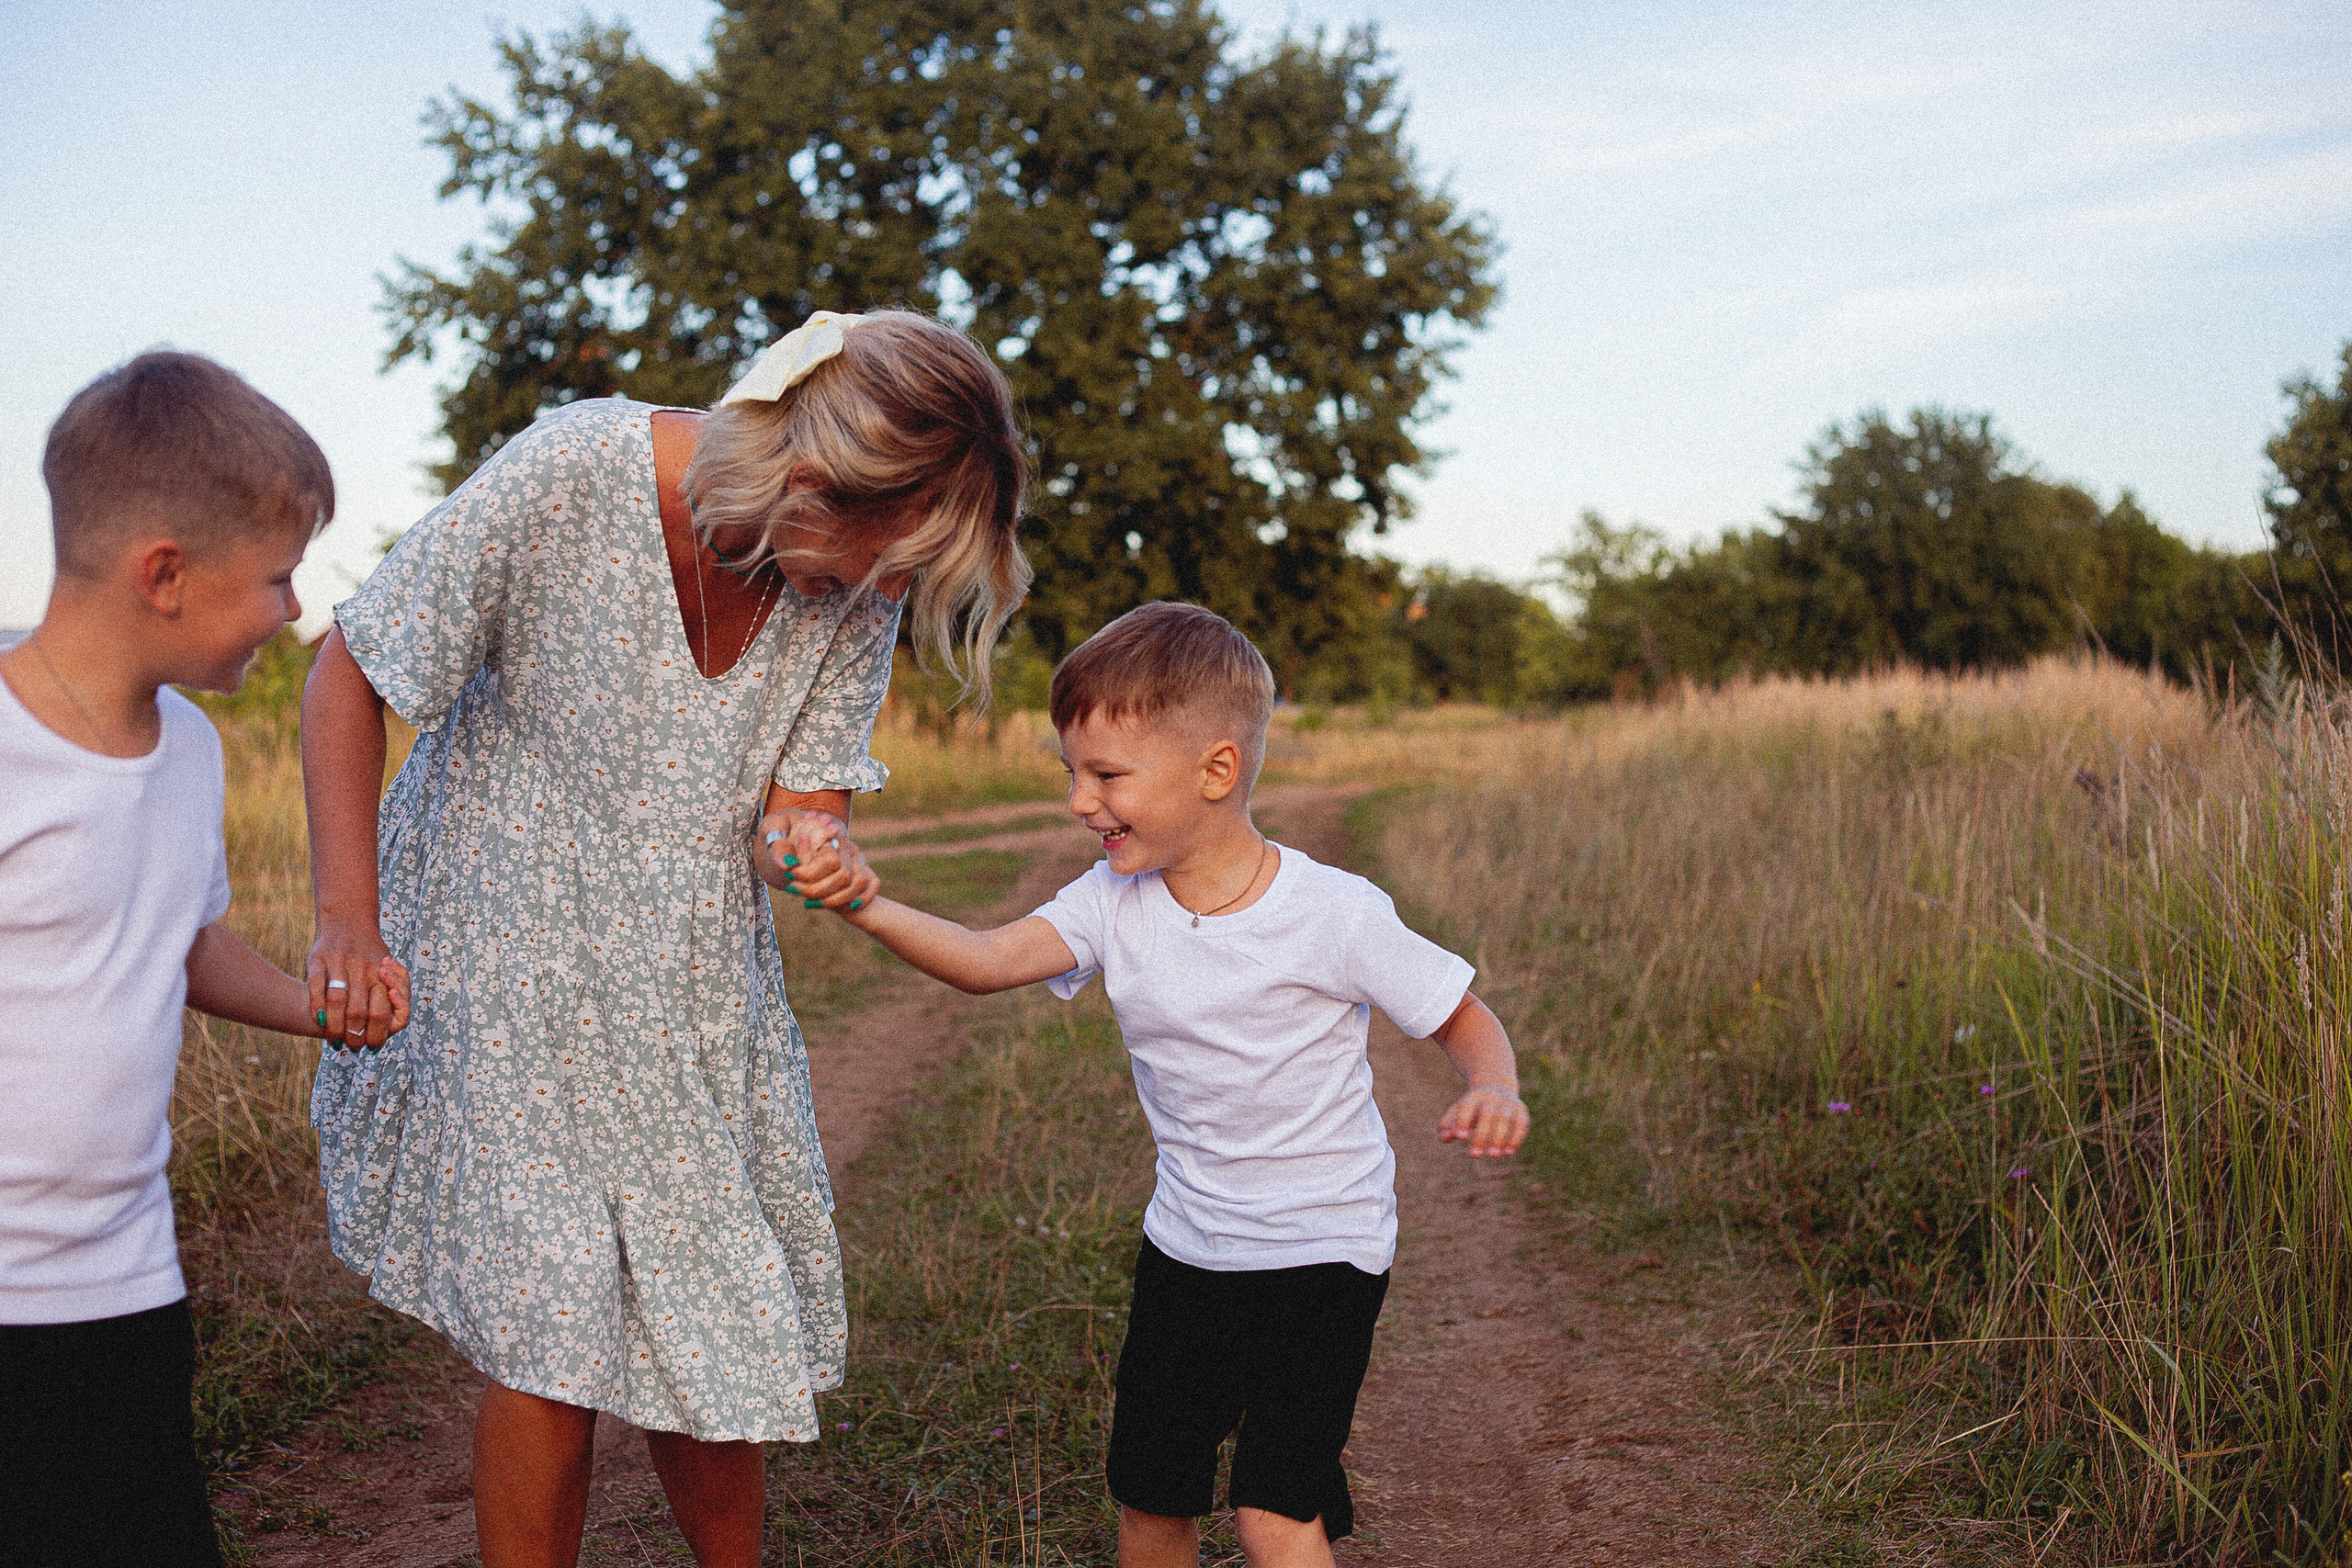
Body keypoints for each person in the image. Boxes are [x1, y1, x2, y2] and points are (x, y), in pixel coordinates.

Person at [300, 309, 1030, 1568]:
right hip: (501, 942)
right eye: (891, 551)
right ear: (813, 473)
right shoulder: (574, 469)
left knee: (712, 1310)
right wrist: (347, 924)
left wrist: (815, 844)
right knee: (550, 1323)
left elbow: (793, 814)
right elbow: (353, 669)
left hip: (687, 974)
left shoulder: (852, 597)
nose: (896, 591)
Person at [773, 600, 1532, 1568]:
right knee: (1151, 1499)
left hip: (1326, 1249)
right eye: (1071, 774)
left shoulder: (1333, 913)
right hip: (1189, 1249)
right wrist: (867, 903)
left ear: (1215, 770)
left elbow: (1461, 1014)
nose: (1081, 802)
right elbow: (983, 957)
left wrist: (1492, 1084)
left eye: (1107, 776)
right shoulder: (1109, 903)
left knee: (1273, 1508)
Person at [0, 352, 411, 1568]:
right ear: (164, 573)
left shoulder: (189, 747)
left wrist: (321, 1009)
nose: (296, 607)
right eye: (280, 574)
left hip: (124, 1277)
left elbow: (177, 943)